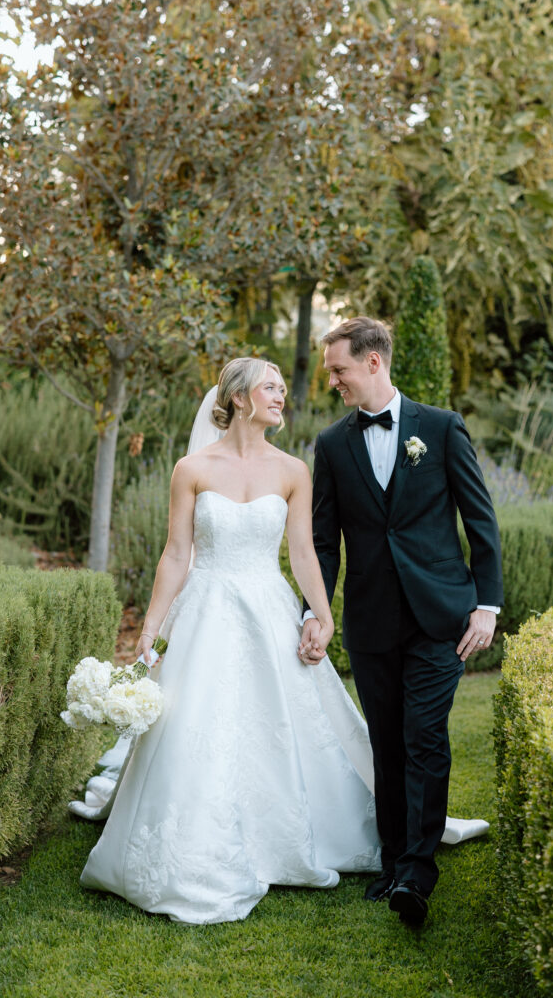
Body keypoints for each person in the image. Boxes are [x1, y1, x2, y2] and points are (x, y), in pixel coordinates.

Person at [74, 357, 383, 924]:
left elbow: (302, 552)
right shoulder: (192, 468)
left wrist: (321, 612)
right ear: (239, 397)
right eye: (271, 388)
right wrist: (149, 629)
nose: (281, 397)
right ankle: (191, 844)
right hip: (205, 611)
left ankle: (281, 833)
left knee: (278, 721)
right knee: (196, 724)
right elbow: (176, 554)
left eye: (283, 390)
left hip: (268, 608)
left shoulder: (293, 470)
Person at [300, 317, 503, 928]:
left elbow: (481, 521)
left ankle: (418, 871)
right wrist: (316, 609)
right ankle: (391, 862)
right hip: (370, 619)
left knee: (425, 738)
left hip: (441, 614)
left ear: (373, 363)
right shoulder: (332, 445)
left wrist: (486, 606)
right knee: (386, 743)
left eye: (338, 369)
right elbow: (323, 540)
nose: (332, 380)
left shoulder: (439, 429)